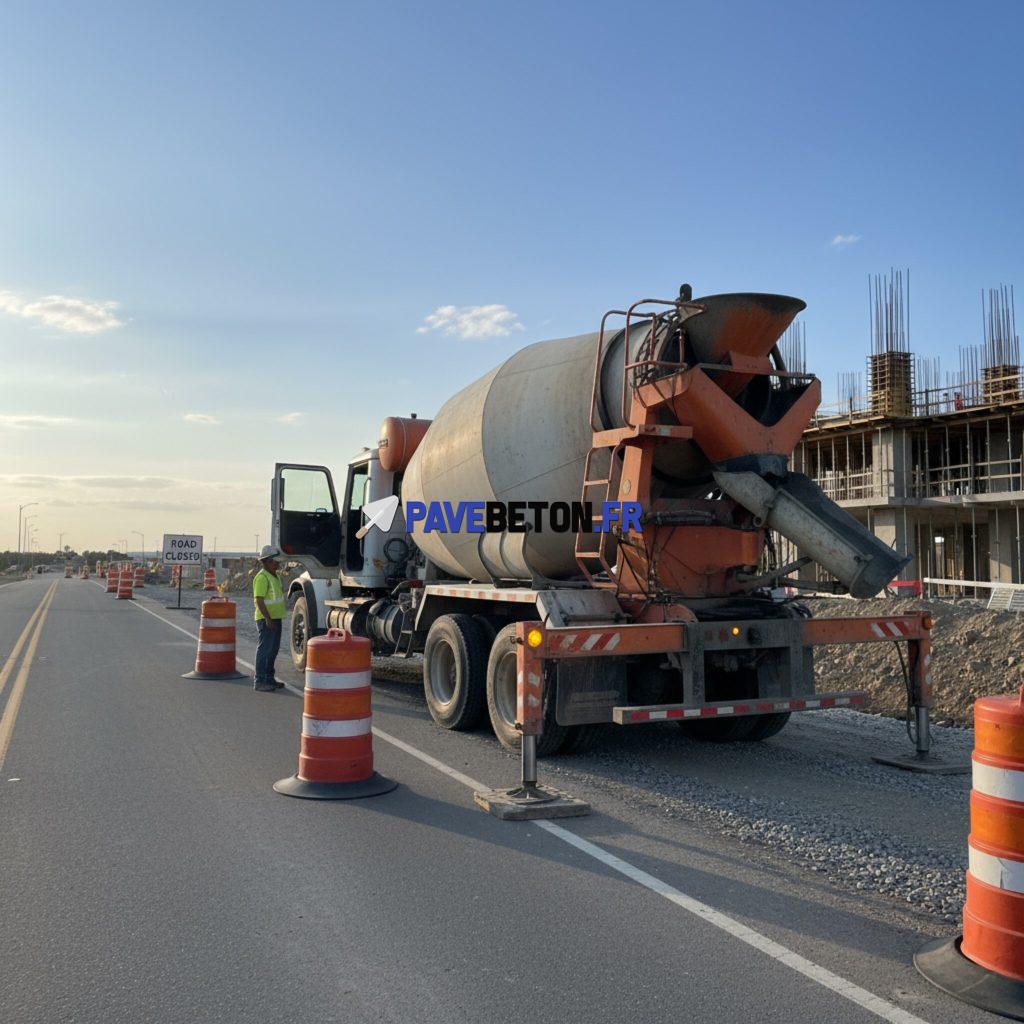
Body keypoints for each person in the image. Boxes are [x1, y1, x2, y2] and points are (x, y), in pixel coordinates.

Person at [252, 544, 286, 691]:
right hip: (266, 619)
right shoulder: (261, 577)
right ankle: (259, 681)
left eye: (277, 561)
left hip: (276, 618)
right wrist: (267, 618)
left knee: (273, 650)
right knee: (265, 650)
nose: (277, 564)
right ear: (265, 561)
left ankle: (269, 678)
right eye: (274, 561)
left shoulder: (275, 576)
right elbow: (259, 599)